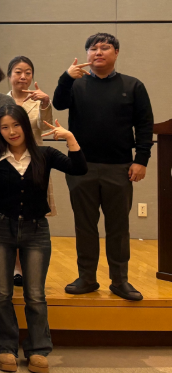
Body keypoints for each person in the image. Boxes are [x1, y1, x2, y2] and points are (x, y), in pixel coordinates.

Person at [0, 105, 87, 373]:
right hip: (1, 230)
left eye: (16, 125)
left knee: (36, 295)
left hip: (36, 230)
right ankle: (5, 348)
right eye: (5, 127)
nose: (11, 131)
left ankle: (38, 350)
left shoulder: (44, 154)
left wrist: (70, 138)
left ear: (25, 126)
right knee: (2, 293)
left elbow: (79, 168)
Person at [52, 32, 153, 302]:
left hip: (120, 168)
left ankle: (120, 281)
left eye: (105, 47)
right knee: (84, 225)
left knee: (118, 228)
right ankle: (86, 277)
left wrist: (141, 160)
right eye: (93, 48)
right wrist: (66, 77)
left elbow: (144, 125)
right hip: (81, 167)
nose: (98, 52)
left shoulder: (133, 85)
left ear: (116, 53)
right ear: (86, 54)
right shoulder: (76, 84)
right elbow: (58, 103)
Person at [7, 56, 56, 286]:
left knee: (32, 216)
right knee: (10, 216)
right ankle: (15, 267)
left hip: (33, 163)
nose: (23, 77)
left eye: (28, 72)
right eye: (18, 72)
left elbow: (45, 127)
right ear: (9, 75)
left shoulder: (38, 101)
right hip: (7, 164)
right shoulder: (1, 101)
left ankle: (30, 265)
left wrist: (45, 103)